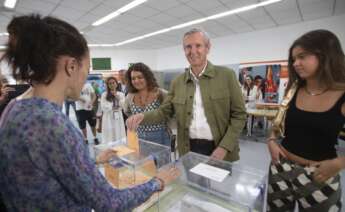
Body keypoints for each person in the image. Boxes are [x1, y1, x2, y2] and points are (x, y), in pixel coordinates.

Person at [0, 14, 178, 212]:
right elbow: (109, 202)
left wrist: (92, 160)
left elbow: (43, 168)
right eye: (88, 67)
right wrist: (157, 182)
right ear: (72, 66)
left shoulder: (16, 108)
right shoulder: (53, 124)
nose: (86, 76)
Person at [127, 28, 246, 161]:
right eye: (188, 47)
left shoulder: (226, 76)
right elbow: (164, 112)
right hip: (188, 148)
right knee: (191, 182)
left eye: (198, 45)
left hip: (220, 148)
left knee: (220, 182)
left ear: (208, 48)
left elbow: (239, 115)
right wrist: (142, 116)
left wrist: (225, 147)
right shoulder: (177, 82)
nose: (193, 51)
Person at [267, 30, 345, 212]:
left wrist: (339, 163)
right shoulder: (293, 90)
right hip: (281, 167)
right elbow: (278, 124)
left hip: (320, 174)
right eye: (294, 59)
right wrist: (271, 140)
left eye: (302, 57)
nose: (296, 64)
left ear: (325, 55)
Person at [124, 62, 171, 147]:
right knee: (141, 160)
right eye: (133, 78)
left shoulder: (161, 94)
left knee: (161, 160)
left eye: (140, 77)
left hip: (160, 137)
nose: (136, 81)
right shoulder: (130, 96)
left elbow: (169, 113)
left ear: (147, 77)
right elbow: (127, 112)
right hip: (138, 138)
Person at [100, 76, 126, 143]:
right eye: (110, 83)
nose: (112, 84)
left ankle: (120, 146)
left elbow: (123, 105)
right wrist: (112, 106)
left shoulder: (121, 94)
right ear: (107, 85)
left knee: (118, 131)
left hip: (118, 115)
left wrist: (117, 98)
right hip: (108, 116)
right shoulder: (104, 94)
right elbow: (103, 106)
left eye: (113, 83)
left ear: (116, 84)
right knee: (110, 132)